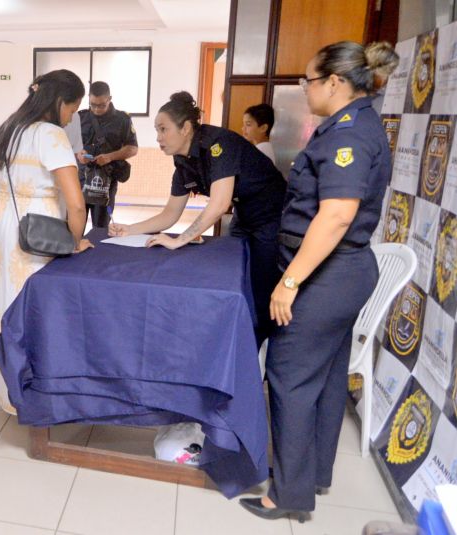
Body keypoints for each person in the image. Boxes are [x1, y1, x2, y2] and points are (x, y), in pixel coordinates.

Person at [238, 41, 399, 522]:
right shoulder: (355, 123)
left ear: (334, 82)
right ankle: (312, 476)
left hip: (325, 276)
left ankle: (286, 495)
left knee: (288, 377)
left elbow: (335, 216)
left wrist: (288, 283)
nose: (303, 88)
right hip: (342, 273)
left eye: (308, 80)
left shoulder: (347, 135)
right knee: (326, 378)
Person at [109, 91, 287, 346]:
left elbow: (219, 204)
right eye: (157, 130)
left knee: (260, 291)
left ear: (186, 128)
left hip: (272, 217)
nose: (158, 138)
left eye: (163, 129)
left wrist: (181, 239)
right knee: (234, 280)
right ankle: (233, 340)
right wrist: (130, 229)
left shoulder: (218, 143)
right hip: (244, 217)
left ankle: (255, 358)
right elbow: (170, 214)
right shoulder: (183, 162)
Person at [0, 69, 93, 414]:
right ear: (60, 102)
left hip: (4, 223)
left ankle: (10, 394)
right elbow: (76, 203)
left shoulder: (9, 127)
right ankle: (35, 394)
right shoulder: (50, 135)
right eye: (72, 108)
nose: (71, 116)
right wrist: (75, 241)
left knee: (6, 302)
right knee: (34, 309)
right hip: (38, 229)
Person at [78, 81, 138, 228]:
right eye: (93, 104)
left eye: (102, 105)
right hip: (80, 179)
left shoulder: (122, 119)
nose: (97, 109)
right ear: (89, 98)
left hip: (105, 182)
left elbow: (133, 148)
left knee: (101, 228)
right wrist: (79, 154)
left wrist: (110, 156)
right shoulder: (80, 117)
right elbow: (67, 146)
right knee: (75, 224)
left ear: (109, 99)